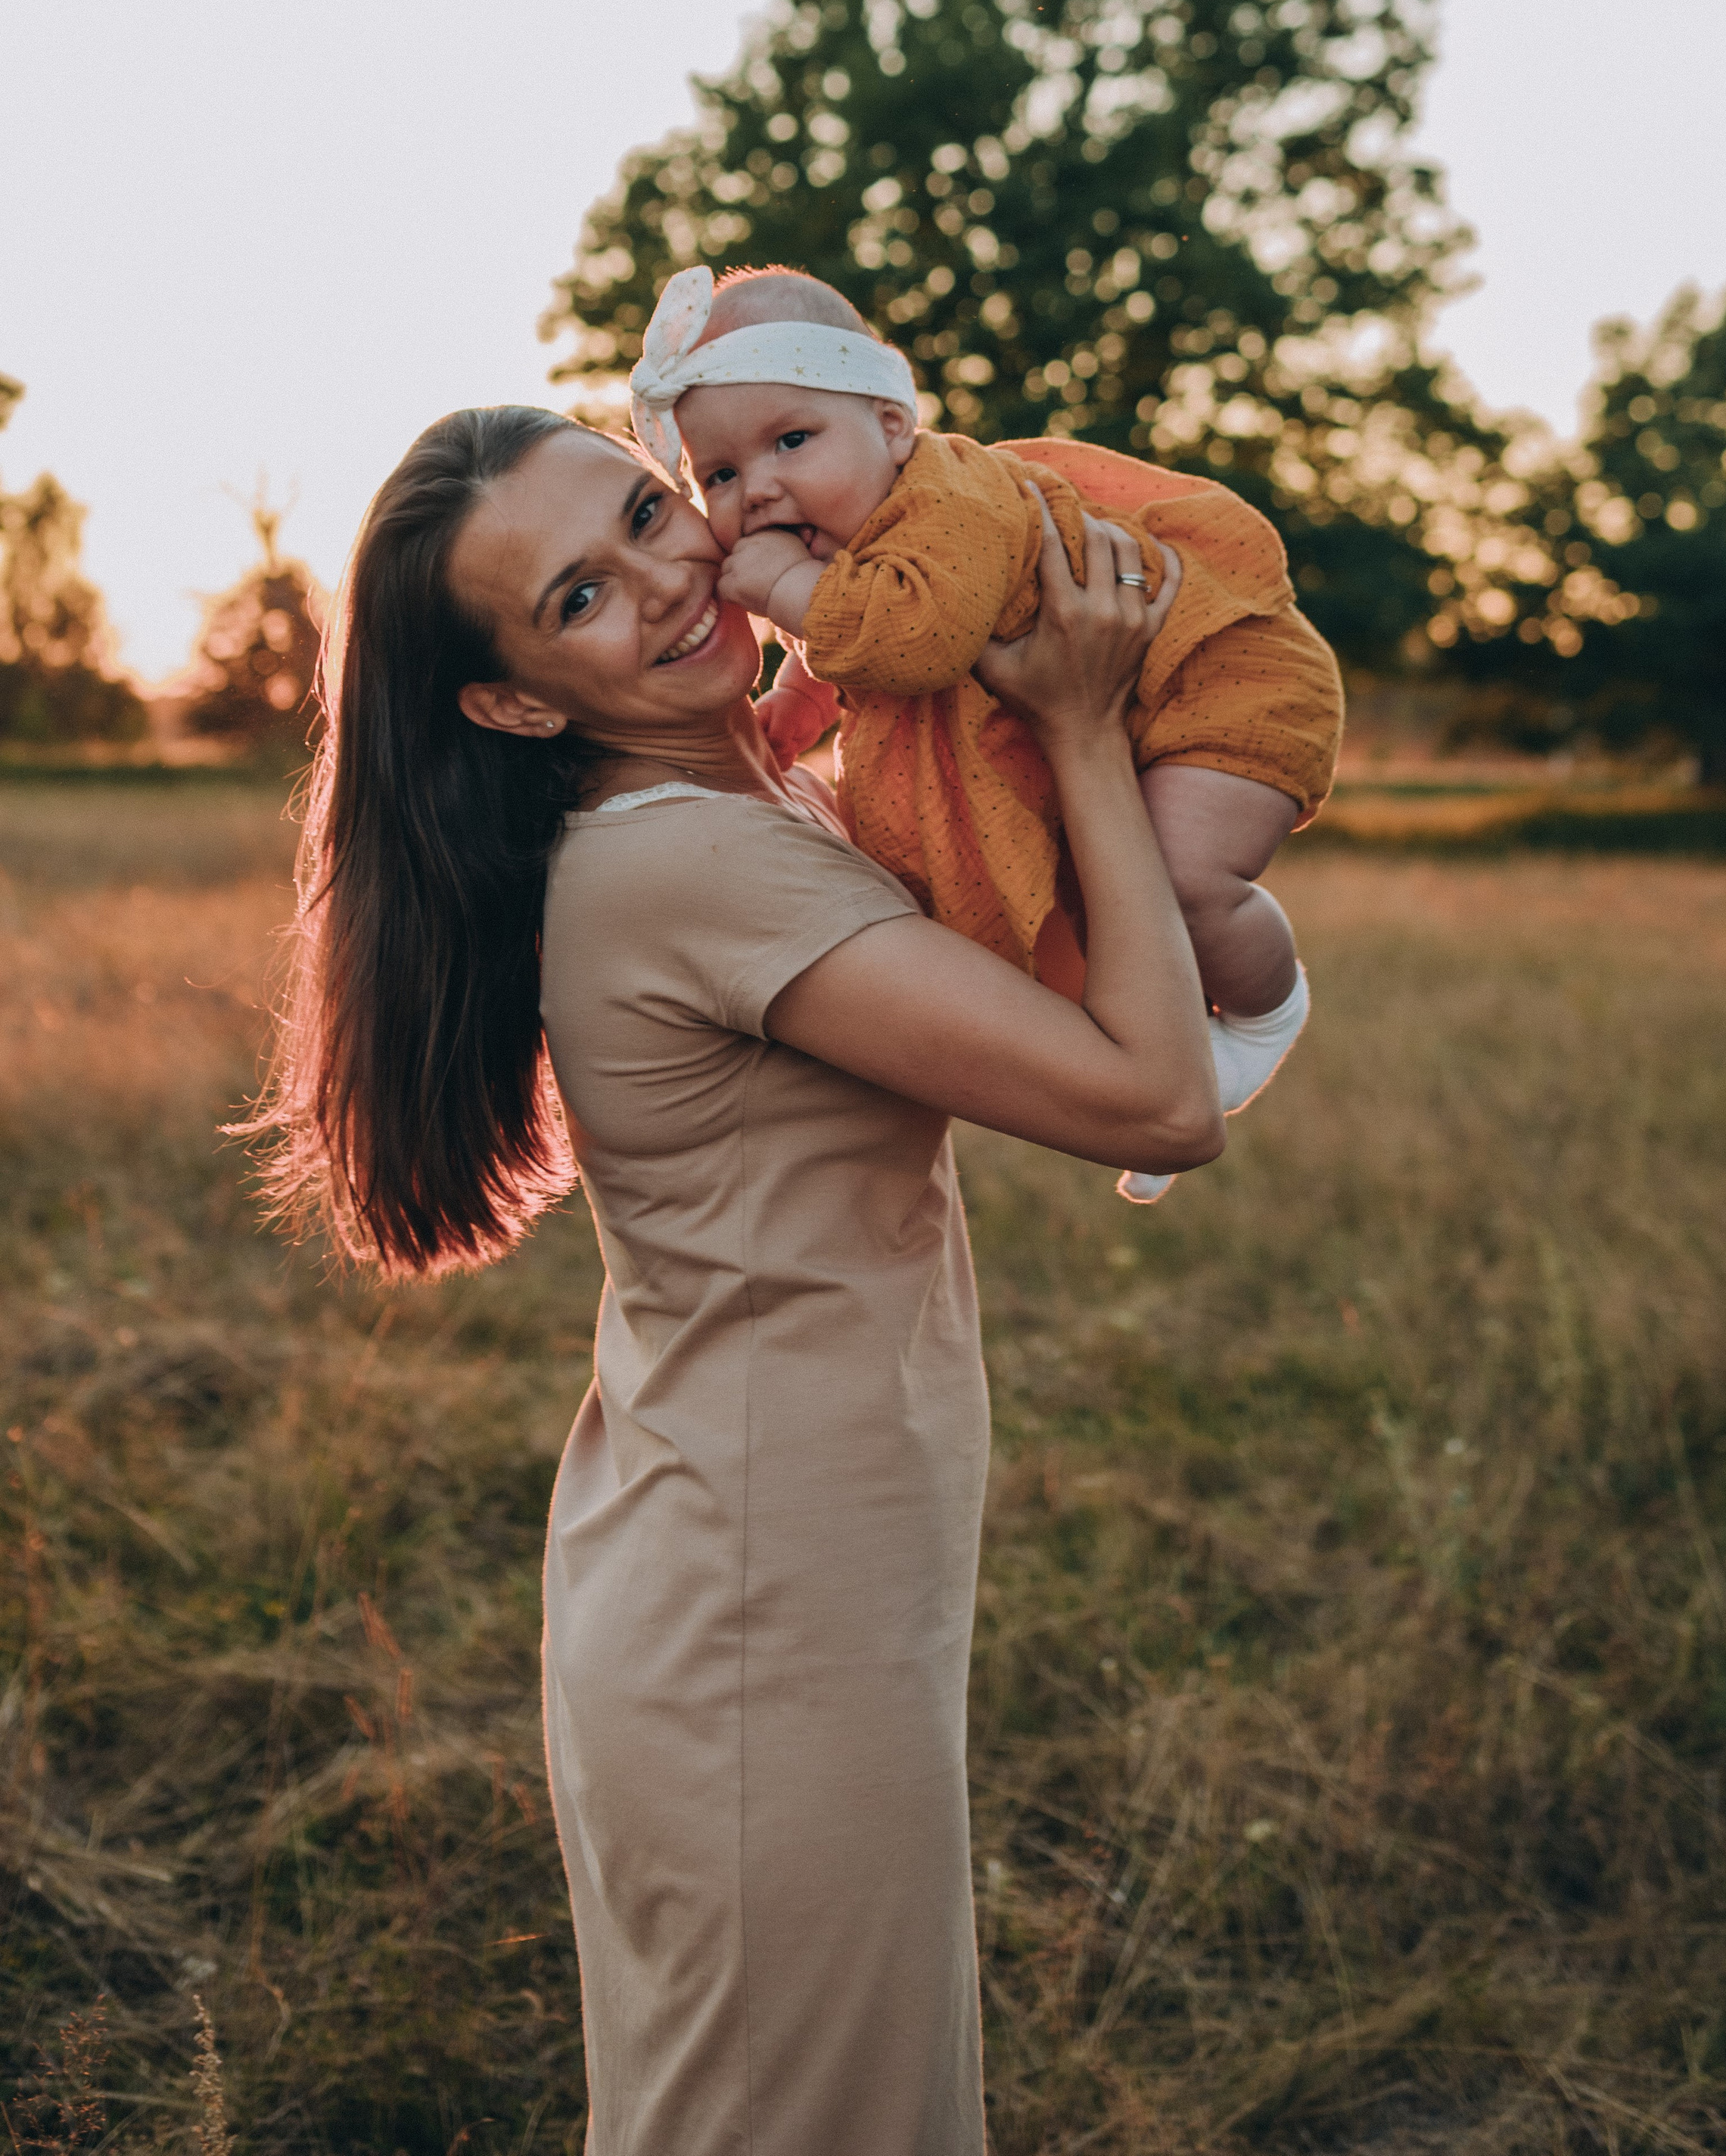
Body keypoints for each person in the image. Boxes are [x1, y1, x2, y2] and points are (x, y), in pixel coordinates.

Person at [249, 403, 1219, 2156]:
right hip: (760, 1624)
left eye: (642, 510)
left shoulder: (735, 797)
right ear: (515, 699)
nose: (667, 575)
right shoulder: (690, 861)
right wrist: (1078, 726)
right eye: (577, 596)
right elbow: (1156, 1095)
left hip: (768, 1580)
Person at [630, 263, 1344, 1201]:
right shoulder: (854, 533)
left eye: (791, 440)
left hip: (1224, 679)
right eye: (718, 474)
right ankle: (1156, 1054)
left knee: (1178, 876)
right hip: (1131, 699)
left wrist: (776, 590)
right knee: (1101, 892)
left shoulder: (948, 501)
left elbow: (909, 638)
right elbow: (842, 639)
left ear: (892, 425)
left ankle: (1262, 1012)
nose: (757, 488)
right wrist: (799, 706)